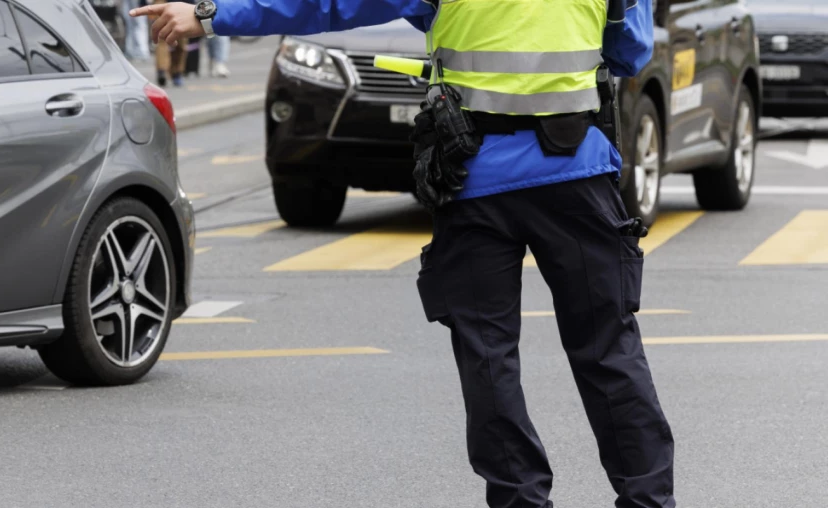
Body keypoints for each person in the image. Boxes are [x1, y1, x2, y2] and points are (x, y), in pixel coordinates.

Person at [130, 1, 676, 507]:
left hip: (474, 180)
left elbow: (327, 4)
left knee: (488, 358)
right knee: (608, 348)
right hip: (575, 176)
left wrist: (210, 13)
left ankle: (520, 500)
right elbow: (630, 53)